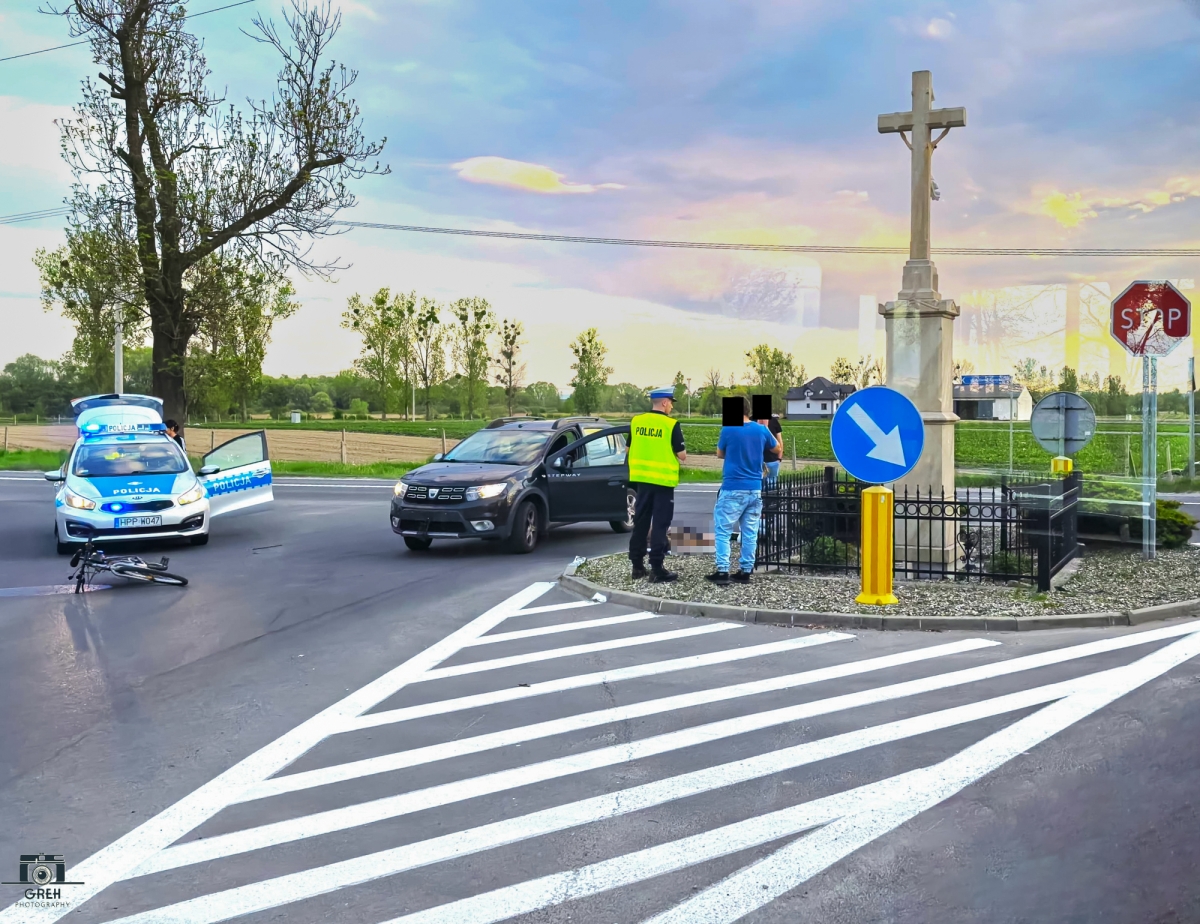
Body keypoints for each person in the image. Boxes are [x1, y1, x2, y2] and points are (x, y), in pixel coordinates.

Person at [707, 395, 781, 585]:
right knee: (750, 532)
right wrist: (765, 428)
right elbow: (777, 449)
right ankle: (745, 570)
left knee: (723, 529)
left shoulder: (728, 429)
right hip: (754, 488)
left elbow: (719, 453)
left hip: (733, 487)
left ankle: (723, 570)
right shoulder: (760, 430)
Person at [627, 387, 687, 582]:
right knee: (661, 524)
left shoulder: (637, 422)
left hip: (642, 481)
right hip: (663, 482)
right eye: (671, 403)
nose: (671, 407)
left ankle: (637, 566)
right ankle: (656, 568)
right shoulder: (671, 424)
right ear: (664, 402)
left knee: (640, 523)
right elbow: (682, 455)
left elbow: (628, 449)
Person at [760, 411, 783, 486]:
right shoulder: (752, 421)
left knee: (772, 485)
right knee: (759, 484)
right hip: (758, 461)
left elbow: (779, 440)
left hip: (772, 460)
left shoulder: (774, 421)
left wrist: (779, 458)